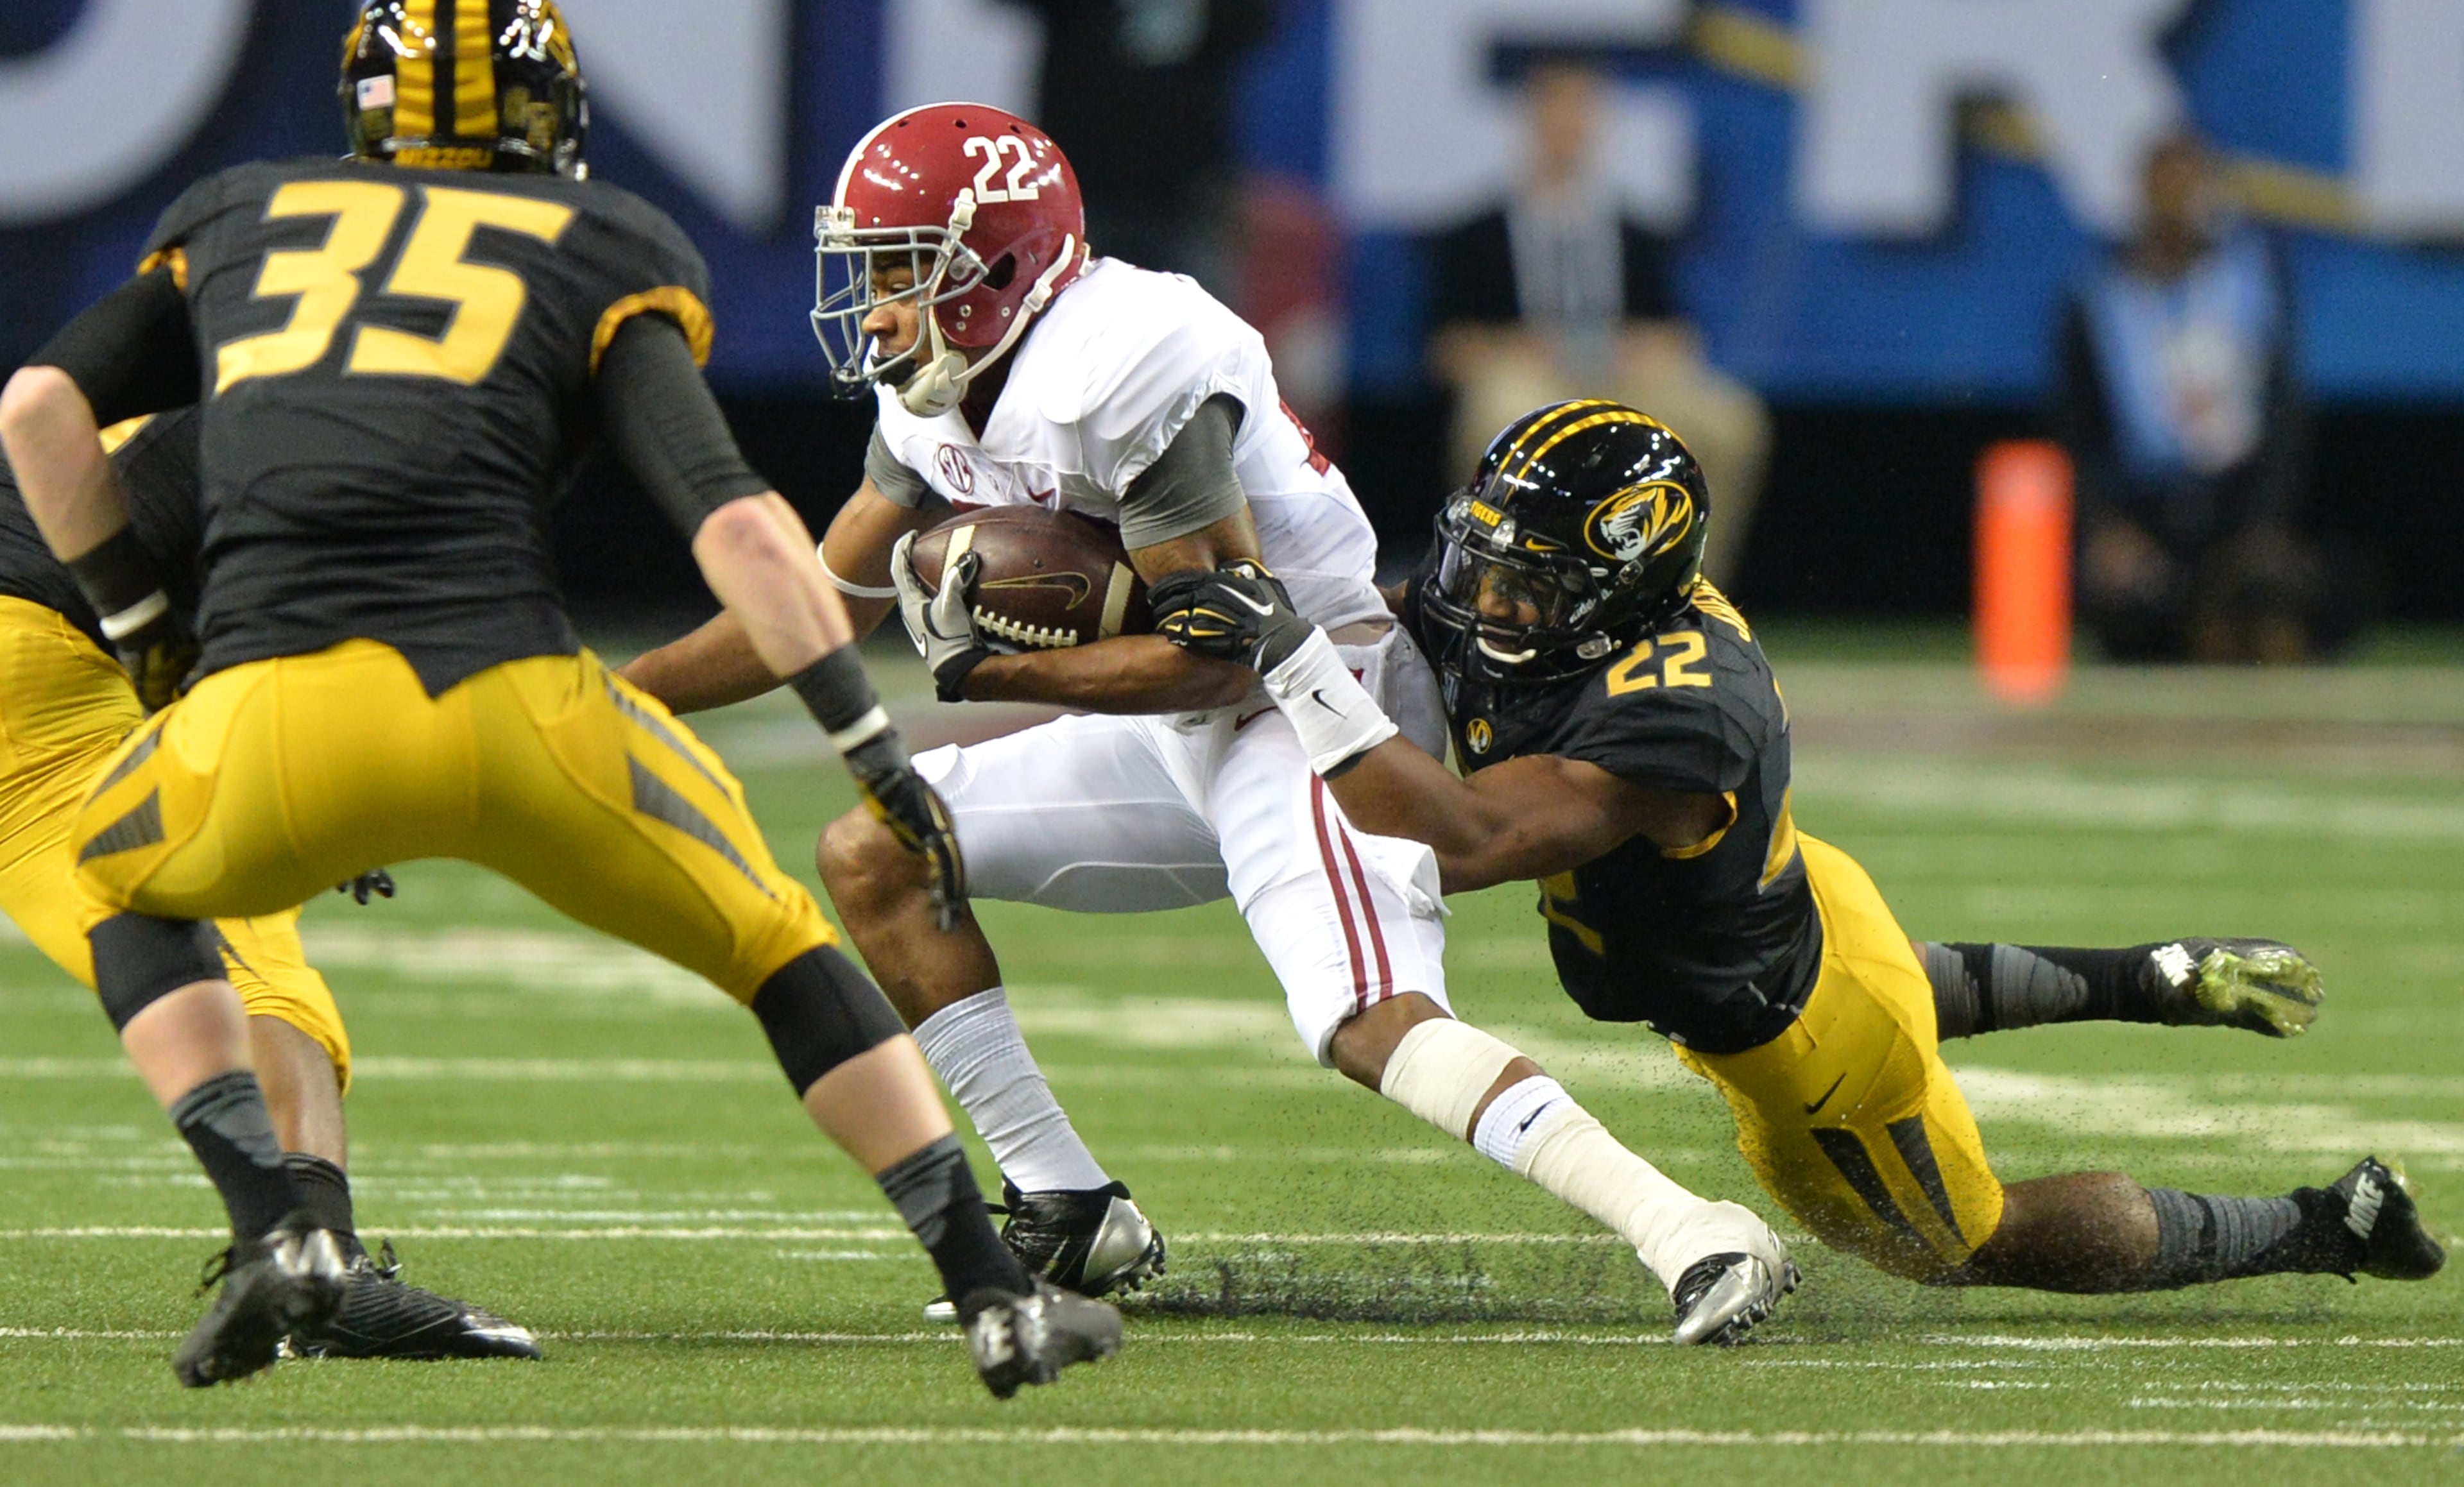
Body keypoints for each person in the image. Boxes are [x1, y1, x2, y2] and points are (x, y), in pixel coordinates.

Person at [0, 1, 1116, 1396]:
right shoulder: (605, 246)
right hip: (511, 691)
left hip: (252, 681)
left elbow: (43, 411)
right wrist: (869, 741)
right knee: (781, 948)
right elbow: (744, 531)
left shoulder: (242, 226)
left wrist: (163, 648)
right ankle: (991, 1293)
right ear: (551, 121)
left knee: (145, 895)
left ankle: (282, 1231)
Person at [626, 101, 1798, 1348]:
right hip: (1194, 708)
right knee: (880, 848)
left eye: (906, 269)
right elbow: (812, 604)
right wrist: (606, 700)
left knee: (1369, 1021)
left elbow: (1215, 651)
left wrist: (997, 674)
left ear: (1003, 268)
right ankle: (1065, 1202)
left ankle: (1694, 1226)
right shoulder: (939, 389)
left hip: (1311, 707)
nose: (877, 305)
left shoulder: (1128, 369)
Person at [1152, 399, 2447, 1295]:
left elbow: (1470, 834)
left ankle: (2327, 1224)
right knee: (1883, 974)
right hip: (1816, 909)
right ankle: (2154, 978)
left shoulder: (1678, 706)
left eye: (1529, 586)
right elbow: (1419, 619)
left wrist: (1289, 654)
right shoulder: (1572, 606)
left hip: (1797, 1045)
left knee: (1972, 1240)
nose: (1489, 602)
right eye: (1491, 565)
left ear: (1619, 587)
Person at [0, 409, 535, 1361]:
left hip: (47, 677)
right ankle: (319, 1265)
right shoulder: (291, 443)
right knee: (248, 954)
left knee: (181, 945)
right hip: (36, 669)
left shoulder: (189, 421)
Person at [1428, 58, 1768, 587]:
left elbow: (1677, 334)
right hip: (1530, 378)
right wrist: (1511, 347)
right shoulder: (1476, 233)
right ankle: (1504, 586)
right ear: (1530, 123)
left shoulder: (1636, 232)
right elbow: (1445, 347)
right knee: (1498, 412)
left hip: (1623, 377)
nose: (1568, 127)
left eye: (1581, 113)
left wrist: (1647, 349)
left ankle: (1686, 588)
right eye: (1555, 112)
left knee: (1728, 419)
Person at [2055, 131, 2325, 663]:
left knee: (2271, 596)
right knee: (2127, 609)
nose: (2179, 202)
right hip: (2145, 506)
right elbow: (2077, 429)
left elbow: (2283, 415)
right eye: (2165, 186)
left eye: (2190, 186)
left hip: (2235, 506)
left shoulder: (2251, 285)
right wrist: (2106, 526)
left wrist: (2265, 522)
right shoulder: (2100, 297)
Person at [995, 0, 1276, 300]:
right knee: (1072, 323)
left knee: (1202, 328)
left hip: (1189, 182)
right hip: (1082, 180)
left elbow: (1256, 21)